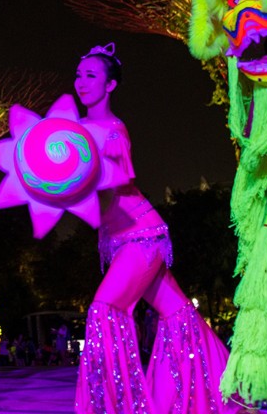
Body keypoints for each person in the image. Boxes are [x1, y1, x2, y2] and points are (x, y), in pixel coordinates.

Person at [71, 44, 232, 414]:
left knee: (105, 310)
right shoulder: (76, 131)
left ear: (110, 85)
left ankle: (116, 407)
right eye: (79, 75)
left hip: (141, 238)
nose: (82, 82)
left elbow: (115, 183)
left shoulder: (112, 130)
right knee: (180, 316)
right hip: (121, 240)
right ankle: (222, 392)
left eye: (91, 76)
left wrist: (76, 177)